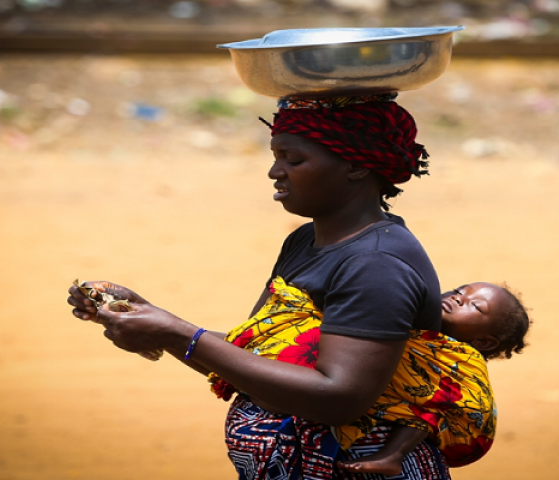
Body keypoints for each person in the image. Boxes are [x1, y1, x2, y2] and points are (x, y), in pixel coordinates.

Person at [68, 93, 462, 480]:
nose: (275, 172)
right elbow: (254, 358)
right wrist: (148, 317)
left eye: (294, 160)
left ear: (356, 166)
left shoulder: (375, 264)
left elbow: (339, 397)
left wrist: (177, 333)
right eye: (276, 157)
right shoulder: (305, 241)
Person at [206, 277, 529, 475]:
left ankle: (392, 455)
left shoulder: (461, 358)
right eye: (460, 290)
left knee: (426, 413)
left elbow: (466, 404)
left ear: (485, 341)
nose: (458, 298)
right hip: (346, 410)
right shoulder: (411, 325)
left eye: (475, 306)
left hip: (440, 419)